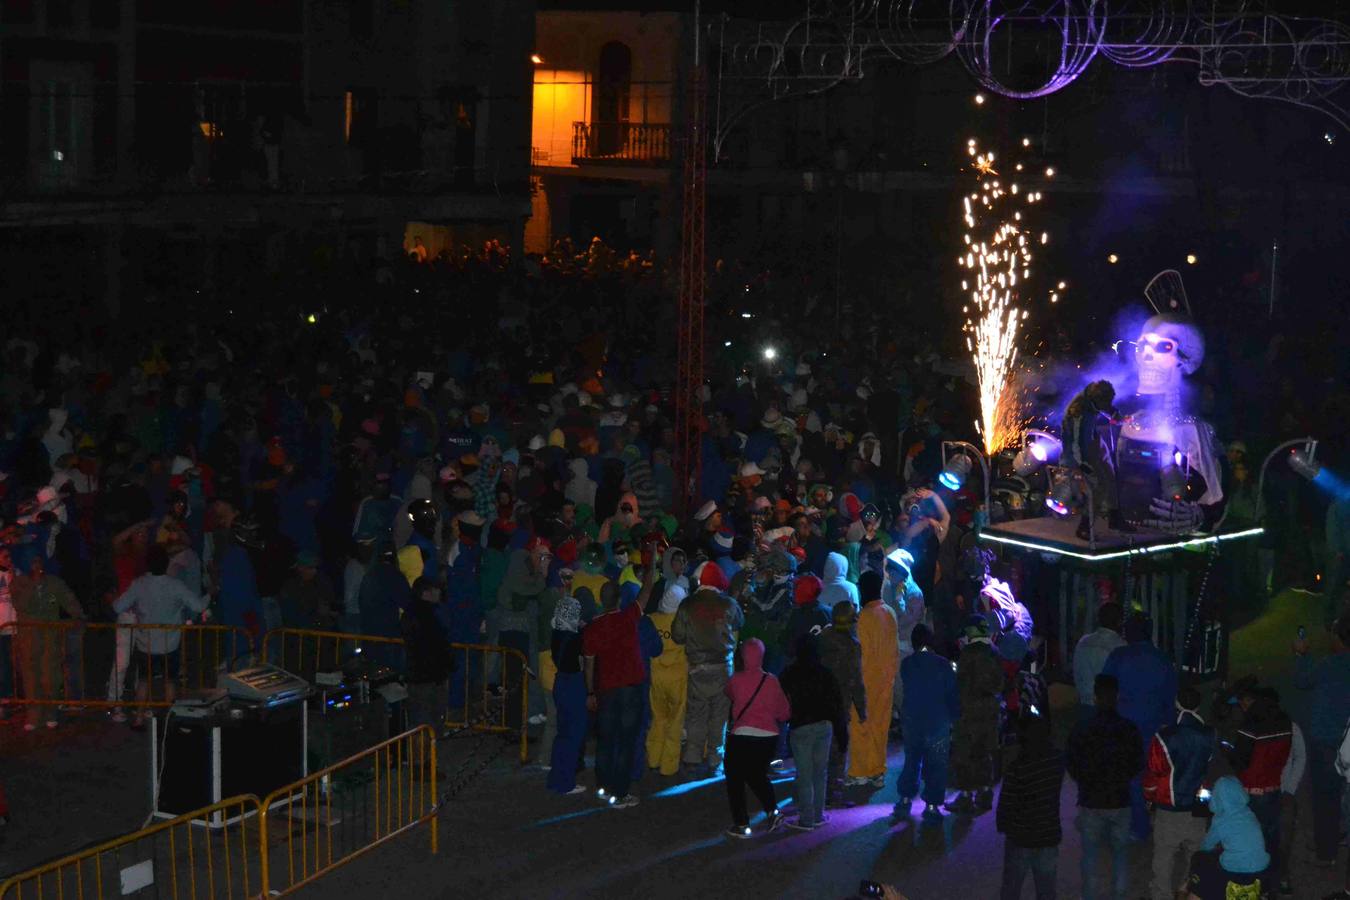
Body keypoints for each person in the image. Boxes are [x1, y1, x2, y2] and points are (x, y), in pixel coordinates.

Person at [582, 558, 654, 808]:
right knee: (626, 741)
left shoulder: (593, 628)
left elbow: (589, 664)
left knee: (606, 740)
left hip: (606, 690)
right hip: (631, 688)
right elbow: (646, 591)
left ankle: (603, 786)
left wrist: (590, 691)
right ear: (620, 599)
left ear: (602, 600)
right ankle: (620, 793)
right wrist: (652, 561)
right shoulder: (628, 617)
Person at [113, 543, 209, 728]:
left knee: (143, 681)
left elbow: (118, 606)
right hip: (169, 644)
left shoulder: (139, 584)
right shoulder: (175, 585)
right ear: (166, 564)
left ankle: (139, 718)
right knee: (170, 682)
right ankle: (167, 721)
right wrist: (209, 595)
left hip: (145, 643)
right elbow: (198, 606)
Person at [1066, 674, 1144, 900]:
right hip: (1120, 799)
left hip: (1091, 800)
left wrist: (1084, 781)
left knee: (1090, 854)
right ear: (1117, 696)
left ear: (1095, 696)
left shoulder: (1083, 727)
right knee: (1120, 853)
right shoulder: (1128, 728)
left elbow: (1071, 762)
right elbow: (1137, 763)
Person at [1102, 610, 1177, 840]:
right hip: (1154, 727)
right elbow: (1170, 697)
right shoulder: (1162, 660)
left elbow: (1106, 691)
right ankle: (1147, 820)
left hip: (1123, 727)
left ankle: (1137, 826)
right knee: (1149, 774)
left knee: (1126, 777)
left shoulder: (1118, 656)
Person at [1142, 685, 1216, 900]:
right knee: (1195, 857)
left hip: (1169, 807)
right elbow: (1208, 768)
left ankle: (1162, 896)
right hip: (1198, 805)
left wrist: (1149, 798)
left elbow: (1153, 774)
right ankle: (1188, 892)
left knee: (1164, 857)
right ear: (1199, 705)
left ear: (1177, 704)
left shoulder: (1165, 736)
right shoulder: (1209, 734)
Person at [672, 562, 744, 777]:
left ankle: (692, 758)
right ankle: (716, 760)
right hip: (723, 669)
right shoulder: (729, 604)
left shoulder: (687, 605)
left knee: (696, 715)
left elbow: (677, 635)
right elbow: (739, 625)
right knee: (720, 717)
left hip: (697, 669)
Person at [1292, 614, 1350, 869]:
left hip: (1327, 740)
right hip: (1346, 740)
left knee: (1325, 797)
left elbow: (1302, 681)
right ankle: (1340, 836)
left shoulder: (1331, 665)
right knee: (1342, 795)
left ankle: (1326, 853)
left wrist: (1302, 655)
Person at [722, 637, 791, 838]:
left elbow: (729, 693)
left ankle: (742, 824)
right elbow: (783, 713)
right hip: (768, 737)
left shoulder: (736, 679)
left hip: (741, 736)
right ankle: (773, 810)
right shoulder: (772, 680)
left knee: (735, 780)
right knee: (757, 775)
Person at [10, 549, 83, 730]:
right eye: (33, 562)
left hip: (50, 637)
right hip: (28, 638)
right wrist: (33, 584)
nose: (37, 566)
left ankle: (51, 711)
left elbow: (69, 600)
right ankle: (33, 714)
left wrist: (78, 616)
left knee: (51, 676)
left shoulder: (54, 582)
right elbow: (21, 605)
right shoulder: (19, 583)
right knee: (30, 676)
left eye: (39, 561)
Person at [996, 711, 1065, 900]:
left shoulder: (1018, 768)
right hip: (1048, 835)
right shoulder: (1056, 761)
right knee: (1046, 889)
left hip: (1020, 837)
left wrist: (1003, 824)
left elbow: (1006, 804)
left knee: (1011, 887)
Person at [779, 633, 845, 830]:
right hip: (824, 725)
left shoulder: (790, 672)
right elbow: (836, 703)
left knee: (805, 774)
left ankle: (806, 819)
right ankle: (818, 814)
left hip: (801, 726)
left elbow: (779, 697)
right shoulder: (825, 672)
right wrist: (842, 734)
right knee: (820, 772)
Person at [895, 623, 959, 822]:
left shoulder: (907, 664)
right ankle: (932, 806)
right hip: (938, 721)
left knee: (912, 760)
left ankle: (905, 799)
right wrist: (954, 718)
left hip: (912, 720)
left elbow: (902, 692)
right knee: (936, 764)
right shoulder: (943, 664)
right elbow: (952, 695)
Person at [1229, 684, 1292, 874]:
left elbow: (1241, 759)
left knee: (1250, 836)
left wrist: (1228, 751)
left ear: (1249, 700)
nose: (1242, 708)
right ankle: (1274, 878)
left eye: (1242, 703)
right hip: (1273, 786)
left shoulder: (1251, 723)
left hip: (1252, 789)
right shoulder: (1284, 720)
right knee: (1271, 836)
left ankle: (1252, 878)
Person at [847, 571, 898, 788]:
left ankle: (859, 771)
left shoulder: (863, 618)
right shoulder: (890, 613)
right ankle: (877, 770)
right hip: (887, 680)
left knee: (860, 726)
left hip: (866, 680)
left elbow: (860, 654)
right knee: (880, 725)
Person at [949, 617, 1005, 813]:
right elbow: (1000, 684)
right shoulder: (995, 652)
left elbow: (960, 686)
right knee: (984, 753)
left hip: (969, 712)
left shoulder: (968, 654)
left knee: (963, 754)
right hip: (990, 711)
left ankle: (965, 795)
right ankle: (985, 793)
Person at [1184, 776, 1273, 899]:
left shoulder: (1221, 820)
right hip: (1262, 866)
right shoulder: (1249, 813)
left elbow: (1206, 845)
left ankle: (1196, 889)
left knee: (1201, 859)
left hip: (1236, 870)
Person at [819, 600, 866, 807]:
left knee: (817, 749)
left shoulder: (821, 639)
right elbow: (856, 680)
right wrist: (862, 708)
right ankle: (832, 793)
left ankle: (813, 789)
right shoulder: (852, 646)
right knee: (837, 752)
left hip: (818, 700)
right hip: (840, 704)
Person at [401, 576, 453, 741]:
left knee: (426, 720)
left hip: (424, 675)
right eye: (435, 589)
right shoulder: (426, 616)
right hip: (427, 676)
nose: (439, 592)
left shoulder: (420, 613)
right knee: (426, 721)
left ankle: (426, 760)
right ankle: (423, 762)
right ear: (426, 593)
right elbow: (434, 644)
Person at [546, 593, 588, 796]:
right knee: (573, 736)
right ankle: (566, 782)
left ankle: (556, 777)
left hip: (559, 683)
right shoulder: (576, 638)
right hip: (574, 685)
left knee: (562, 734)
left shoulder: (556, 633)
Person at [645, 582, 688, 777]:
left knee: (658, 718)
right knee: (675, 721)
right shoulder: (684, 623)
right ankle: (669, 766)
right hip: (678, 679)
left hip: (656, 677)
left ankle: (653, 757)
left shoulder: (651, 620)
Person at [1072, 602, 1125, 724]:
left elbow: (1076, 673)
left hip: (1084, 706)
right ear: (1120, 621)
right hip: (1107, 711)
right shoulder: (1120, 647)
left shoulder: (1083, 642)